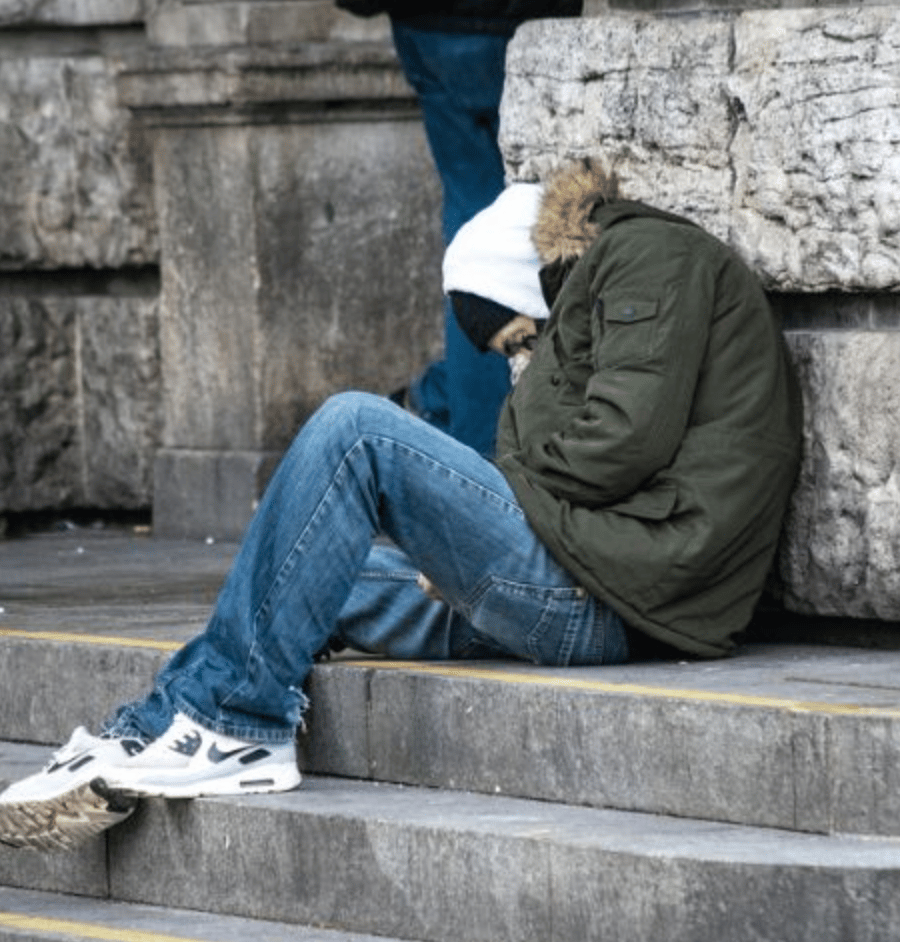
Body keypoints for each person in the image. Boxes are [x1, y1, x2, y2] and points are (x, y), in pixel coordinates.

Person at [0, 160, 802, 853]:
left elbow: (620, 441)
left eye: (520, 339)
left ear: (522, 284)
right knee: (303, 571)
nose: (524, 359)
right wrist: (460, 543)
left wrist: (474, 529)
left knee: (357, 428)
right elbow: (589, 452)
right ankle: (149, 729)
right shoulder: (599, 297)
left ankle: (238, 725)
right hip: (603, 574)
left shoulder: (651, 257)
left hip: (621, 597)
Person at [337, 0, 583, 457]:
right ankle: (458, 415)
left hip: (438, 24)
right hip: (537, 18)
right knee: (548, 223)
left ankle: (469, 438)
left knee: (479, 235)